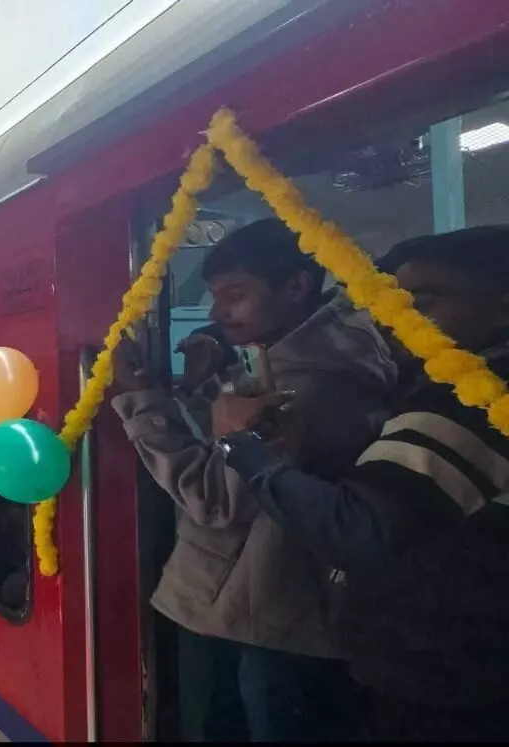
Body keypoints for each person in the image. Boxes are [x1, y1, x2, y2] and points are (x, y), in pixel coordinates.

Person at [210, 227, 509, 742]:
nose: (398, 319)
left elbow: (360, 531)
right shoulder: (433, 386)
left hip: (447, 668)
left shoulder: (471, 403)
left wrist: (241, 445)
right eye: (393, 302)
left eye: (425, 302)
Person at [110, 218, 398, 742]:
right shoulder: (303, 361)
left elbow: (215, 497)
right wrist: (207, 384)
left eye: (235, 296)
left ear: (296, 287)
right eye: (218, 297)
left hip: (269, 618)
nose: (219, 313)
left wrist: (145, 405)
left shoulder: (303, 388)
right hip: (264, 607)